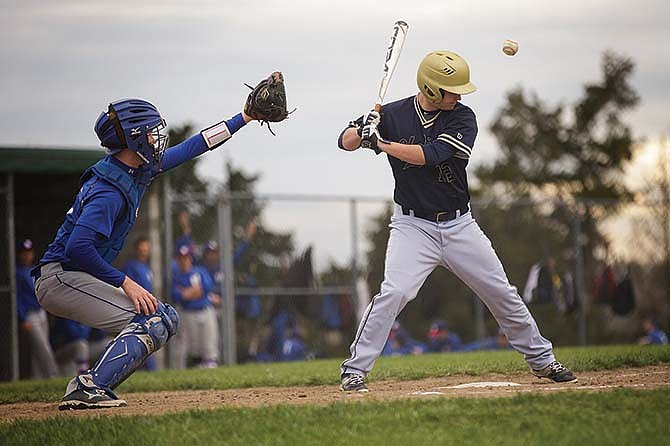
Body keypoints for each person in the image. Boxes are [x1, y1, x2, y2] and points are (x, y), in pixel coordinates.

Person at [32, 73, 288, 410]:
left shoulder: (134, 170)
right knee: (150, 320)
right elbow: (76, 248)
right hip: (60, 278)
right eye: (151, 133)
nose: (157, 139)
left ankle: (94, 386)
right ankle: (88, 386)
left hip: (73, 275)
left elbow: (192, 146)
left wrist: (243, 118)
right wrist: (126, 282)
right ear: (135, 139)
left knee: (165, 319)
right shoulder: (109, 190)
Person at [337, 51, 577, 392]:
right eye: (452, 90)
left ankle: (542, 360)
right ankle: (354, 370)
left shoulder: (463, 118)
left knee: (501, 292)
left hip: (459, 225)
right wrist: (362, 131)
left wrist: (380, 143)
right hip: (412, 227)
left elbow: (432, 155)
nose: (459, 95)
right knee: (394, 292)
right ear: (431, 89)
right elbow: (343, 142)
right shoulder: (392, 114)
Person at [16, 238, 59, 379]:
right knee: (42, 347)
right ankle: (53, 376)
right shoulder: (17, 272)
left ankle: (38, 378)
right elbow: (16, 298)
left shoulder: (34, 270)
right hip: (30, 315)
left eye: (29, 252)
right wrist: (22, 318)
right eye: (24, 252)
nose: (27, 255)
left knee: (40, 348)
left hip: (41, 312)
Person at [172, 242, 219, 368]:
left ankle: (210, 368)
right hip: (187, 313)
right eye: (181, 258)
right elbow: (179, 296)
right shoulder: (176, 277)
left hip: (205, 310)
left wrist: (188, 292)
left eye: (186, 257)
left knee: (209, 344)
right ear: (177, 259)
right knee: (191, 348)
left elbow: (206, 288)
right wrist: (195, 291)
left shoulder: (200, 271)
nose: (184, 260)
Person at [122, 236, 157, 371]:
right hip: (137, 310)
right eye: (141, 249)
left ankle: (150, 372)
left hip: (148, 309)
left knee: (149, 342)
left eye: (146, 249)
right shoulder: (131, 266)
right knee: (140, 341)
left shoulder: (146, 267)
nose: (144, 252)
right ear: (136, 250)